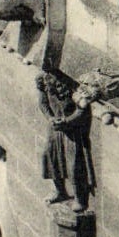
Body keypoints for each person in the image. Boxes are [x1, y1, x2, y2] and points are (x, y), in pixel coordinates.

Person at [37, 71, 95, 212]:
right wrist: (50, 118)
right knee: (50, 157)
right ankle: (60, 191)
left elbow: (83, 110)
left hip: (72, 130)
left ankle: (80, 199)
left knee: (74, 164)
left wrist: (67, 121)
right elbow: (43, 103)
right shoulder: (43, 78)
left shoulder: (73, 84)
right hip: (56, 127)